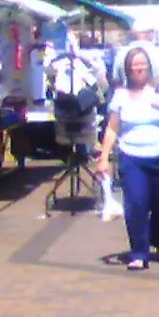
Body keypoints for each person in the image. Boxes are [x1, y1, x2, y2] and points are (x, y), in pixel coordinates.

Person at [94, 47, 159, 270]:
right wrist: (104, 157)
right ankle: (139, 253)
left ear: (149, 66)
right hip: (132, 157)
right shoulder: (120, 96)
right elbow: (112, 128)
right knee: (136, 204)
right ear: (127, 69)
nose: (138, 68)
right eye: (133, 65)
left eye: (142, 64)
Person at [46, 38, 117, 219]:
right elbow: (101, 86)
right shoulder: (81, 66)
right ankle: (83, 163)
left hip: (70, 122)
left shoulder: (63, 65)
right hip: (79, 124)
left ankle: (79, 160)